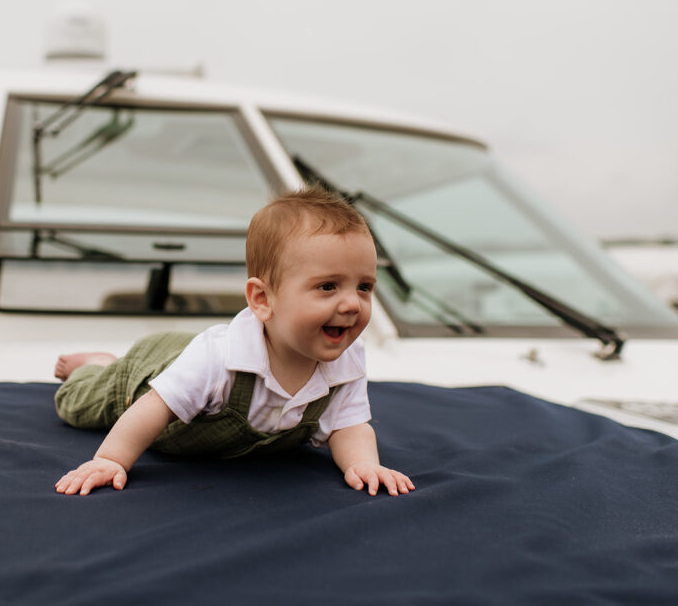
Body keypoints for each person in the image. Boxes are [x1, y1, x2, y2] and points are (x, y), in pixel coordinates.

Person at [53, 186, 415, 497]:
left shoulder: (347, 357)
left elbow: (347, 424)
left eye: (364, 287)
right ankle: (99, 364)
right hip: (145, 376)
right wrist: (110, 460)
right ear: (262, 299)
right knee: (76, 405)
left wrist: (365, 465)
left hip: (189, 356)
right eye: (328, 286)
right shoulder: (220, 358)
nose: (352, 303)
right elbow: (155, 408)